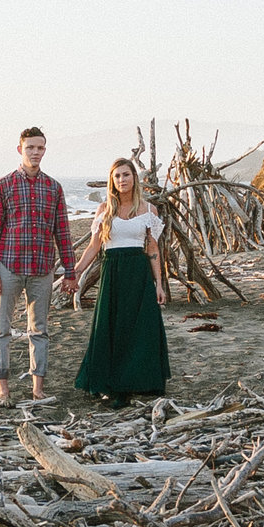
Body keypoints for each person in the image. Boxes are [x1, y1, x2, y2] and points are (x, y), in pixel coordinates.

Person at [0, 126, 77, 405]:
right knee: (1, 328)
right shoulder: (4, 185)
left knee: (40, 330)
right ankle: (3, 389)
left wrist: (70, 272)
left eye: (40, 148)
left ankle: (38, 389)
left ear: (45, 150)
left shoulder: (53, 187)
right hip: (8, 266)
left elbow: (63, 233)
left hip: (42, 270)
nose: (35, 152)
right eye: (30, 148)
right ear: (20, 150)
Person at [72, 158, 173, 407]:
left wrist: (158, 283)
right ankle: (110, 380)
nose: (122, 180)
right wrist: (75, 272)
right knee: (111, 326)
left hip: (138, 273)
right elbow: (95, 246)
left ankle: (140, 380)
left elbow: (152, 248)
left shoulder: (149, 210)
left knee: (140, 327)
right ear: (112, 181)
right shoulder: (104, 209)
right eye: (117, 176)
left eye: (126, 175)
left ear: (134, 178)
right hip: (113, 271)